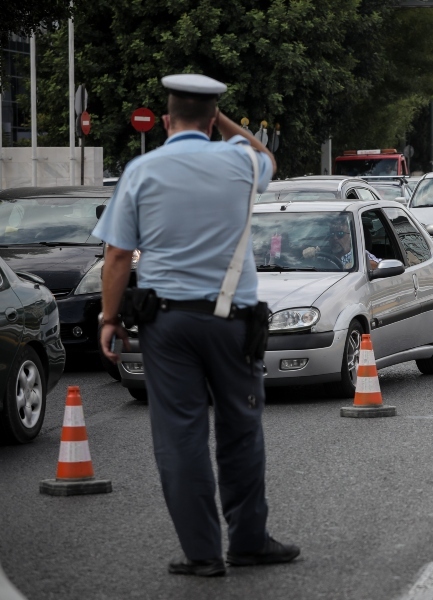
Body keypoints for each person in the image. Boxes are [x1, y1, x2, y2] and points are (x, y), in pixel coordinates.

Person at [95, 73, 299, 577]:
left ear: (165, 121)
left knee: (179, 437)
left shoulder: (142, 170)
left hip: (168, 326)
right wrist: (221, 119)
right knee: (242, 431)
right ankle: (249, 542)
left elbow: (118, 255)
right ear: (212, 121)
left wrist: (109, 317)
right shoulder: (238, 160)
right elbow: (266, 156)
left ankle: (202, 554)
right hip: (234, 323)